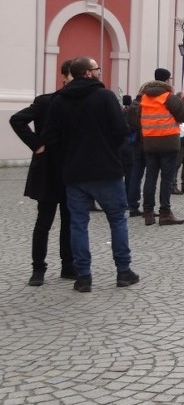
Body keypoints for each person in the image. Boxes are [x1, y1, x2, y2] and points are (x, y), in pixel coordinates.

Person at [41, 57, 138, 292]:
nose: (98, 72)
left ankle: (83, 276)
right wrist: (108, 148)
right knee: (117, 220)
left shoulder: (59, 101)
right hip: (106, 169)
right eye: (97, 69)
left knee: (78, 224)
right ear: (87, 73)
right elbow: (121, 131)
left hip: (75, 172)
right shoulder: (105, 97)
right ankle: (123, 271)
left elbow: (50, 137)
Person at [10, 59, 76, 286]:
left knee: (69, 220)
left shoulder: (79, 103)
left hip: (69, 169)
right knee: (44, 221)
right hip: (48, 170)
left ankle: (68, 265)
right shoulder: (46, 101)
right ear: (64, 77)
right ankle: (38, 268)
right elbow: (17, 119)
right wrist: (36, 144)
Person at [131, 68, 184, 226]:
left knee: (150, 176)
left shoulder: (143, 97)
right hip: (168, 142)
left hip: (149, 142)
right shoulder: (168, 97)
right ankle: (165, 213)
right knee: (166, 178)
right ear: (166, 81)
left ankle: (148, 212)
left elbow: (134, 118)